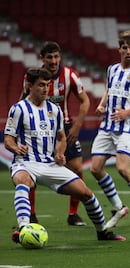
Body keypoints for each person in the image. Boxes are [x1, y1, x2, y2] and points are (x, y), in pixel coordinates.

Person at [5, 68, 125, 243]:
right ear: (30, 86)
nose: (45, 89)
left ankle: (103, 232)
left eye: (47, 85)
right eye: (41, 85)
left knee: (85, 193)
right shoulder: (18, 109)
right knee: (23, 182)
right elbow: (8, 139)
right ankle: (24, 228)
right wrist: (16, 149)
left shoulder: (55, 110)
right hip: (25, 163)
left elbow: (61, 137)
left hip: (50, 164)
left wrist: (60, 153)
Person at [90, 30, 130, 229]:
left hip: (127, 127)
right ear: (119, 49)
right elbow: (109, 90)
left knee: (122, 169)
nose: (128, 51)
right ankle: (119, 207)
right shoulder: (111, 70)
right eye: (124, 47)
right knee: (95, 168)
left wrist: (128, 112)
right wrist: (102, 105)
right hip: (107, 125)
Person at [21, 41, 90, 226]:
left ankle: (73, 214)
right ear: (42, 58)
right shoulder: (33, 78)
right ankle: (32, 213)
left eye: (56, 56)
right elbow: (22, 101)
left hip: (64, 128)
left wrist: (76, 127)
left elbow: (85, 101)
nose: (54, 61)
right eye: (50, 57)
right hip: (38, 129)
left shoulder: (69, 75)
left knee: (77, 168)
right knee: (30, 171)